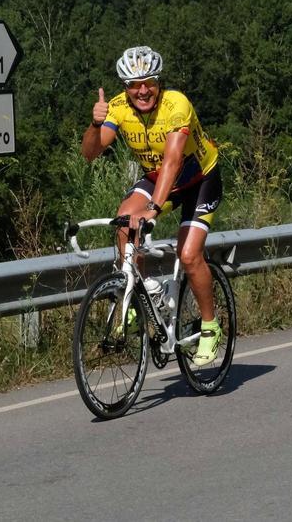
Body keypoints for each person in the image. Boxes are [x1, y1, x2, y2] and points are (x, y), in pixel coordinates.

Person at [81, 46, 225, 365]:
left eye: (149, 82)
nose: (142, 90)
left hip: (199, 180)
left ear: (159, 83)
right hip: (157, 177)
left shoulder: (177, 104)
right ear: (124, 87)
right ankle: (135, 300)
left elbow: (173, 159)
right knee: (123, 223)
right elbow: (90, 154)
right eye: (134, 84)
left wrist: (155, 209)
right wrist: (94, 125)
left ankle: (210, 327)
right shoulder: (118, 108)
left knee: (189, 255)